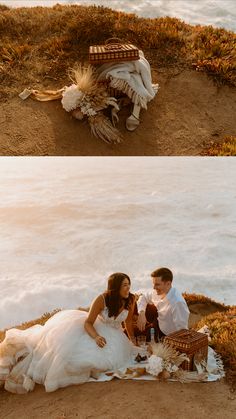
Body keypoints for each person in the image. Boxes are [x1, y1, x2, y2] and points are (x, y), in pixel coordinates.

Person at [0, 273, 136, 394]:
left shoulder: (131, 299)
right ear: (115, 287)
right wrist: (96, 337)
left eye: (129, 284)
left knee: (115, 361)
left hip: (116, 336)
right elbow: (88, 323)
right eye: (124, 285)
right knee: (72, 359)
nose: (128, 287)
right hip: (96, 329)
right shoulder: (102, 299)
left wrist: (132, 341)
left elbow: (128, 323)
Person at [137, 267, 189, 341]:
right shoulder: (157, 292)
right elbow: (143, 297)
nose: (154, 287)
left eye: (157, 284)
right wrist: (141, 313)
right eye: (153, 284)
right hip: (157, 324)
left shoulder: (178, 303)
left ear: (168, 283)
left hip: (169, 336)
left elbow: (182, 331)